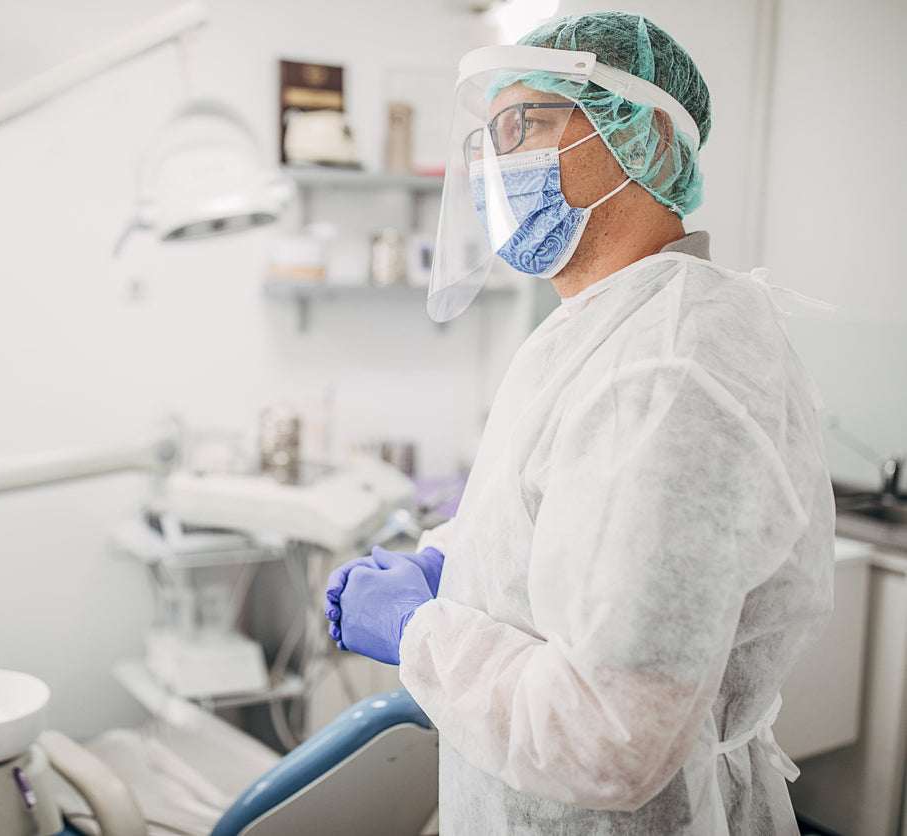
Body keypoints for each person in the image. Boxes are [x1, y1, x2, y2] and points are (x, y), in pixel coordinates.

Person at [324, 12, 834, 835]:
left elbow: (612, 734)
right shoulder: (596, 329)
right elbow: (546, 534)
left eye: (524, 123)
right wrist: (446, 568)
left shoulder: (672, 367)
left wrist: (418, 630)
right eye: (488, 137)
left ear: (646, 142)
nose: (499, 160)